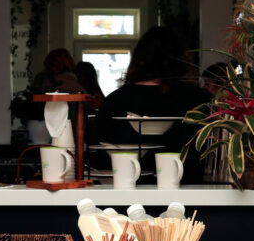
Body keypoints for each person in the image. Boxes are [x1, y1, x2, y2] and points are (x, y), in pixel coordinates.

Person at [87, 26, 210, 182]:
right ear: (181, 60)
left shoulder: (115, 101)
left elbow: (98, 157)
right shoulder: (199, 99)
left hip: (126, 195)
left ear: (139, 59)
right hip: (195, 194)